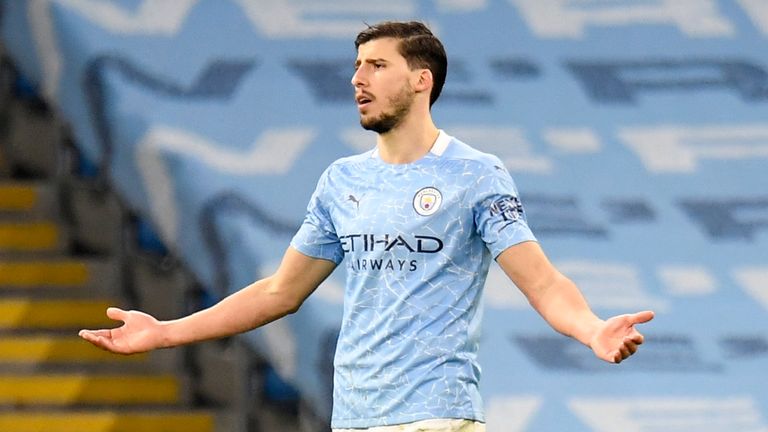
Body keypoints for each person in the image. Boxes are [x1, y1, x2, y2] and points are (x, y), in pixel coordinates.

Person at [79, 21, 654, 432]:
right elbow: (280, 292)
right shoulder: (340, 180)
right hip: (355, 416)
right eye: (357, 66)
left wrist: (589, 329)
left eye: (377, 65)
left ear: (422, 80)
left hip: (436, 413)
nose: (359, 78)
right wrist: (166, 331)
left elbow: (543, 282)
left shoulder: (476, 174)